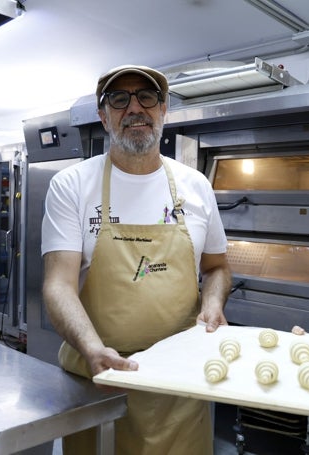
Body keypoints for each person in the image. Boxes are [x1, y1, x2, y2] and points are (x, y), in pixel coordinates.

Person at [41, 64, 232, 454]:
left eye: (147, 97)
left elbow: (216, 267)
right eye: (119, 98)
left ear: (163, 111)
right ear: (103, 115)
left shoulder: (196, 186)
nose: (134, 108)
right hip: (97, 383)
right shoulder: (72, 185)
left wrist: (213, 304)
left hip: (178, 383)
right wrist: (94, 350)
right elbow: (58, 284)